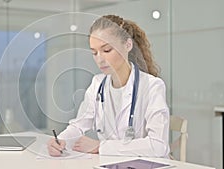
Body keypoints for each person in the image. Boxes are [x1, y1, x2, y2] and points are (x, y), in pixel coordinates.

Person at [47, 14, 170, 158]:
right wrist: (61, 140)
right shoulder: (97, 84)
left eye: (106, 50)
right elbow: (78, 125)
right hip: (111, 163)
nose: (100, 59)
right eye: (94, 52)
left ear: (128, 45)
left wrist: (101, 147)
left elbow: (158, 146)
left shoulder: (152, 86)